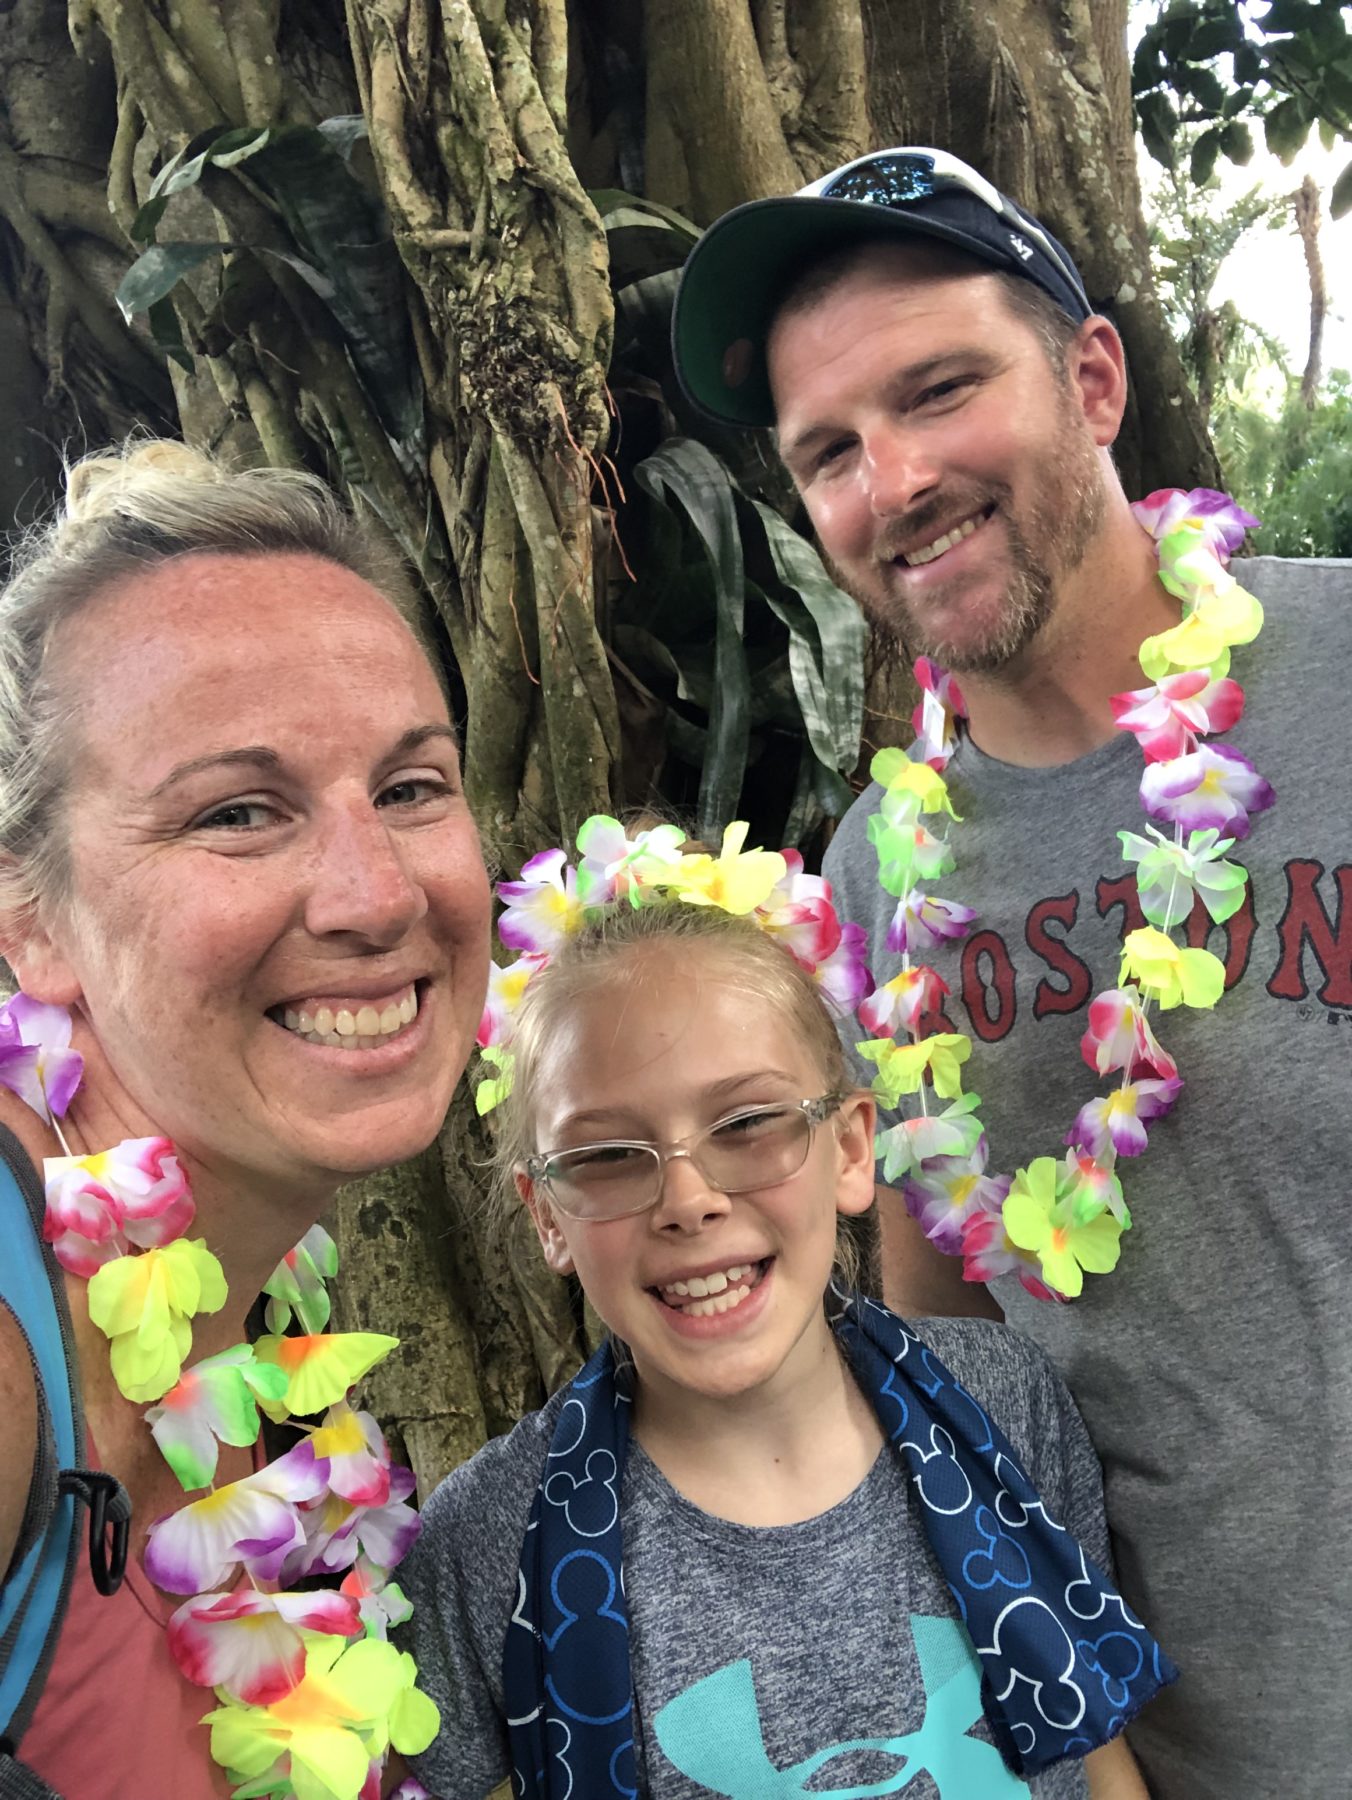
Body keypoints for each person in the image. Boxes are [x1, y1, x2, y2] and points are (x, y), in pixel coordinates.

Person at [670, 146, 1352, 1797]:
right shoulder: (875, 877)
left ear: (1094, 381)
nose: (894, 480)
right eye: (829, 451)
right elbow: (953, 1350)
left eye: (939, 390)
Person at [398, 844, 1160, 1799]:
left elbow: (1094, 1740)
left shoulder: (1001, 1403)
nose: (689, 1200)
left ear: (850, 1149)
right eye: (607, 1156)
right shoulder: (489, 1541)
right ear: (548, 1214)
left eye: (747, 1124)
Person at [0, 439, 491, 1798]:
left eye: (410, 787)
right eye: (237, 812)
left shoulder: (256, 1288)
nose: (375, 895)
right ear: (29, 920)